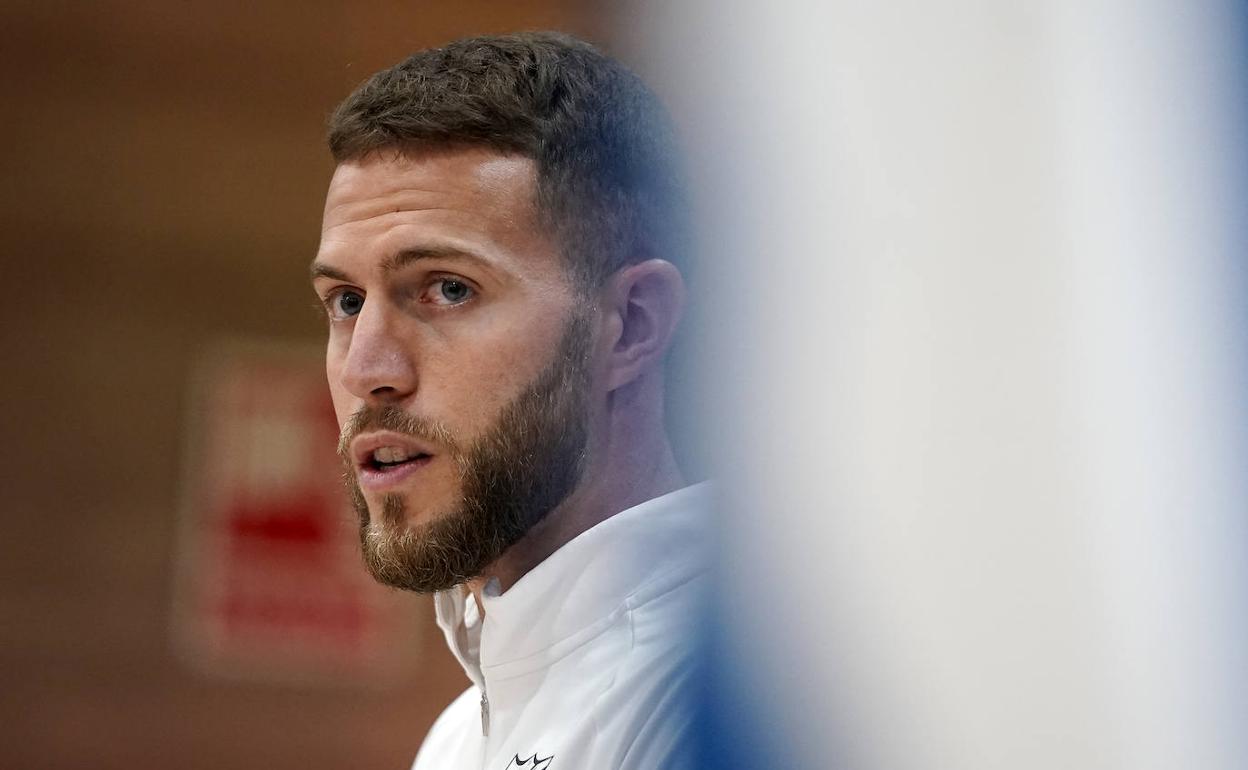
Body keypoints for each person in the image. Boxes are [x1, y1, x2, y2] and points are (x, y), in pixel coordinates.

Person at [309, 32, 709, 769]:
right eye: (345, 300)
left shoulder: (722, 713)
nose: (367, 368)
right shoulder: (458, 738)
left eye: (447, 288)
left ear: (633, 325)